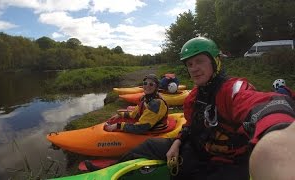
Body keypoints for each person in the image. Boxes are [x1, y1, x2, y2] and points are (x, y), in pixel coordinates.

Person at [86, 37, 295, 178]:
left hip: (230, 164)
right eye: (189, 64)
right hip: (199, 150)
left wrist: (280, 134)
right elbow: (189, 127)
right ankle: (107, 171)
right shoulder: (194, 97)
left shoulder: (232, 90)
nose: (193, 68)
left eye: (199, 61)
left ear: (215, 63)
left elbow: (265, 104)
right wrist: (177, 143)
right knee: (147, 146)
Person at [103, 74, 168, 134]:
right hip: (146, 124)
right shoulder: (144, 98)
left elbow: (141, 127)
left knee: (119, 126)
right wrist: (121, 115)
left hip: (154, 129)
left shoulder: (156, 103)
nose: (147, 85)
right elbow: (135, 113)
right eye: (145, 83)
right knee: (118, 119)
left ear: (156, 87)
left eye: (151, 84)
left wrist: (118, 126)